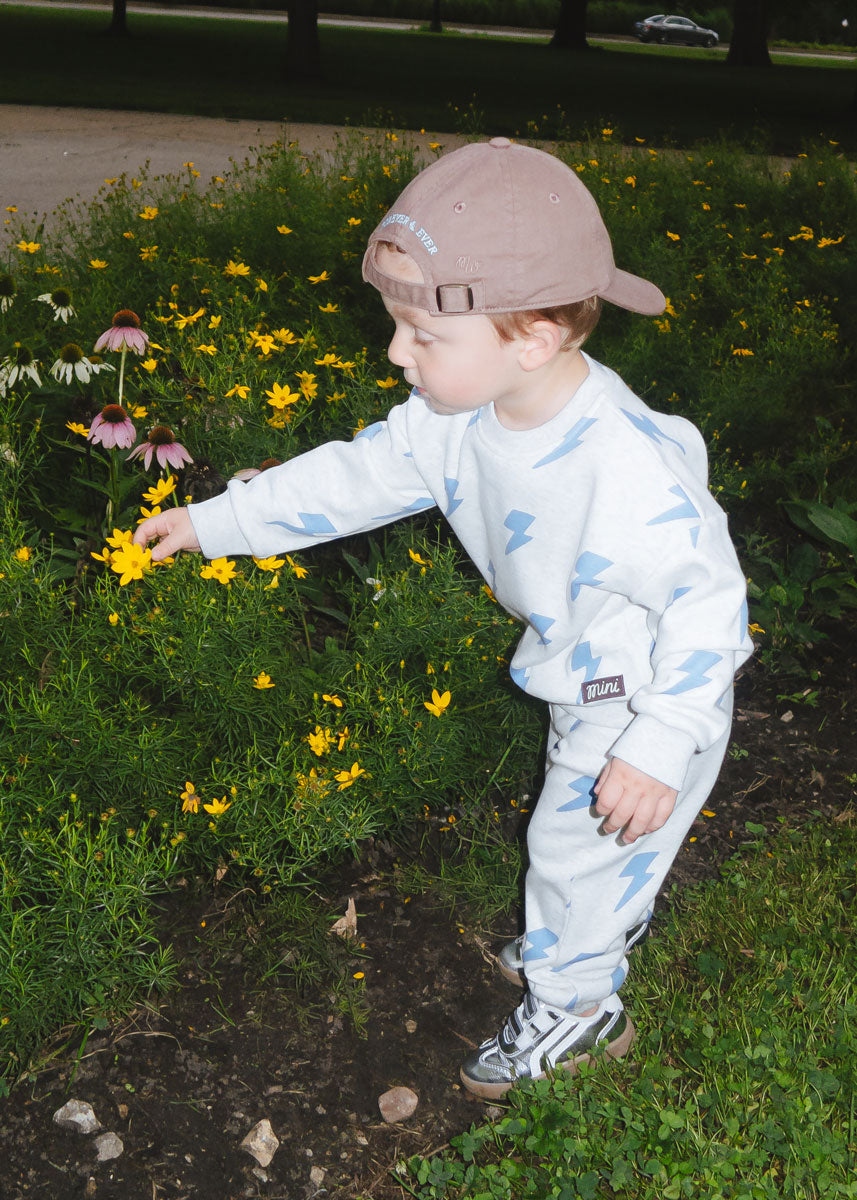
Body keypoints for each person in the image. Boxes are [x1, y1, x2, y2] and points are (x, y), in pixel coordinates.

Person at [134, 137, 753, 1100]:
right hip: (583, 666)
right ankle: (589, 914)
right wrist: (216, 523)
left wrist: (662, 739)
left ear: (532, 339)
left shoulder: (628, 474)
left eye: (422, 336)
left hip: (646, 693)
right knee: (587, 851)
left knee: (573, 843)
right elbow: (355, 477)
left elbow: (709, 605)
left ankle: (580, 1006)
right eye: (397, 326)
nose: (395, 354)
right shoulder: (454, 416)